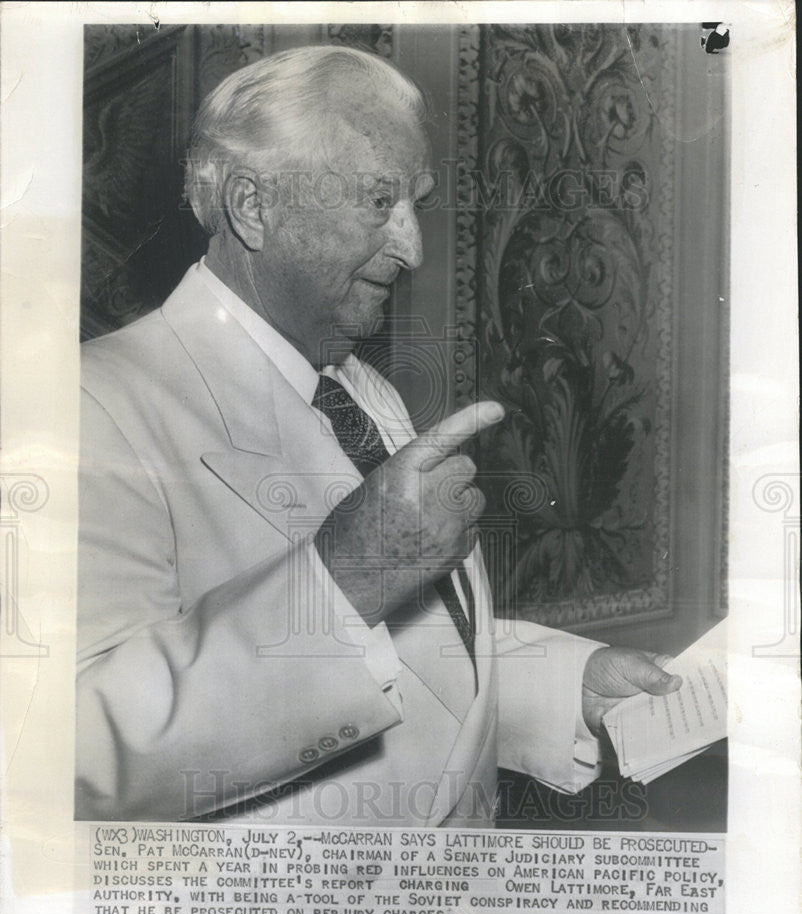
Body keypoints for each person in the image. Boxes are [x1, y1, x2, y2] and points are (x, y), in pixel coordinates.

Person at [76, 45, 680, 825]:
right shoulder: (93, 405)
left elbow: (416, 649)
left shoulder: (358, 388)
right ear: (253, 207)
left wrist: (574, 682)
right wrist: (348, 574)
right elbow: (78, 751)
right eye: (376, 202)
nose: (412, 249)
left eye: (415, 204)